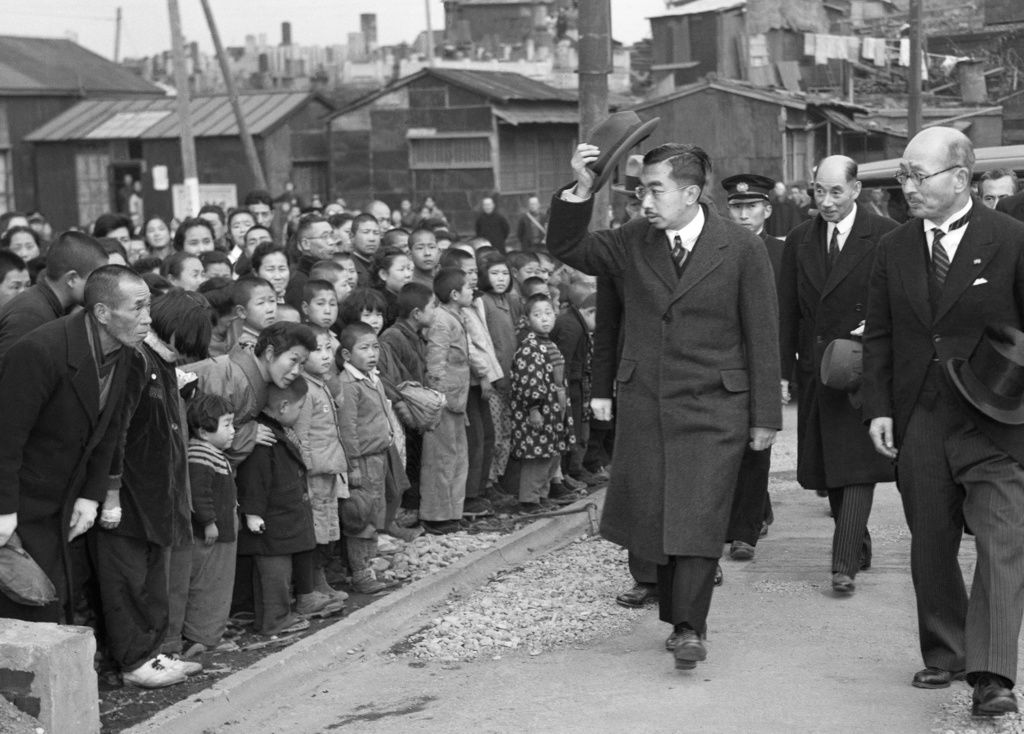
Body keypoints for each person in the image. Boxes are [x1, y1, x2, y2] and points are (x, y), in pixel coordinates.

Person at [547, 141, 781, 671]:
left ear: (691, 193)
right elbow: (568, 245)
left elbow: (762, 333)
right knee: (659, 513)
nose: (645, 201)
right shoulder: (632, 240)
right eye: (641, 190)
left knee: (700, 511)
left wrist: (765, 415)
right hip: (648, 402)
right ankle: (679, 616)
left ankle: (690, 626)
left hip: (716, 404)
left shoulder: (741, 247)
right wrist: (581, 188)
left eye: (656, 190)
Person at [863, 126, 1024, 716]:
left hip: (995, 421)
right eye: (903, 175)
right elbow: (879, 335)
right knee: (931, 541)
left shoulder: (1011, 240)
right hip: (921, 418)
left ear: (960, 178)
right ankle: (946, 650)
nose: (907, 186)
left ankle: (993, 675)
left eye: (918, 175)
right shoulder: (893, 247)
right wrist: (879, 408)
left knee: (1002, 543)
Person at [0, 266, 149, 623]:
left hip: (65, 497)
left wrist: (91, 495)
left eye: (149, 307)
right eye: (137, 308)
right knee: (26, 603)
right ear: (102, 312)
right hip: (22, 498)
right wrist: (3, 510)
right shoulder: (40, 350)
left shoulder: (126, 353)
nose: (147, 318)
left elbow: (110, 428)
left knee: (58, 597)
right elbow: (6, 437)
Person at [778, 156, 896, 592]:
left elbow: (900, 302)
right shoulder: (799, 239)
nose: (826, 202)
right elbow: (787, 312)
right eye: (819, 192)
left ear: (856, 190)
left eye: (836, 192)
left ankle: (842, 565)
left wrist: (877, 330)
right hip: (817, 371)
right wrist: (783, 373)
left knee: (857, 465)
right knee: (832, 467)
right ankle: (857, 542)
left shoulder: (886, 235)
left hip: (864, 369)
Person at [94, 289, 204, 688]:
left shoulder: (161, 362)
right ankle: (133, 660)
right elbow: (116, 431)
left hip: (157, 496)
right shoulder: (136, 360)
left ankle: (152, 653)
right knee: (127, 581)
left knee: (152, 580)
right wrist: (110, 493)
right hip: (128, 494)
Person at [718, 173, 786, 561]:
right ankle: (746, 514)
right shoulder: (718, 249)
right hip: (724, 360)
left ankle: (745, 532)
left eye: (752, 207)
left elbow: (789, 314)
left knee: (758, 445)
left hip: (764, 360)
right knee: (726, 449)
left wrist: (784, 371)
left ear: (767, 210)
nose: (744, 215)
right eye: (737, 207)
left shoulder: (781, 253)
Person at [236, 379, 317, 637]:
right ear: (283, 406)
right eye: (300, 407)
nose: (301, 412)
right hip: (272, 521)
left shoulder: (274, 431)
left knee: (274, 575)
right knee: (274, 576)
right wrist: (253, 513)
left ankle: (270, 619)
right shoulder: (266, 437)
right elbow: (254, 479)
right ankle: (275, 620)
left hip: (279, 520)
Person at [173, 394, 239, 658]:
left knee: (217, 586)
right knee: (207, 585)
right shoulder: (200, 455)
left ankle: (211, 634)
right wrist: (209, 522)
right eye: (227, 425)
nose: (233, 431)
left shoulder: (212, 452)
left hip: (223, 535)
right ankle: (199, 637)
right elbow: (199, 494)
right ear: (203, 431)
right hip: (211, 537)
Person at [337, 322, 394, 594]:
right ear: (347, 355)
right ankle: (360, 573)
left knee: (374, 512)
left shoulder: (372, 377)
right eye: (364, 348)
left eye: (375, 347)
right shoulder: (349, 384)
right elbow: (347, 428)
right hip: (363, 460)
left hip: (378, 456)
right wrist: (353, 465)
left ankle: (369, 566)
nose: (372, 353)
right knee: (361, 515)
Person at [295, 325, 349, 604]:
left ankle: (322, 581)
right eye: (318, 350)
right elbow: (301, 435)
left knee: (327, 526)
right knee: (316, 529)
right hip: (314, 472)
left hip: (328, 469)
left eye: (329, 348)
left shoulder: (321, 384)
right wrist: (304, 470)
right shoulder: (305, 390)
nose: (326, 355)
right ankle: (313, 585)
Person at [510, 292, 576, 512]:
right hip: (540, 409)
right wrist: (534, 409)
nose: (544, 318)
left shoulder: (549, 344)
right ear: (527, 320)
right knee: (537, 455)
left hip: (555, 408)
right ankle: (529, 500)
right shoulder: (530, 347)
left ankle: (542, 494)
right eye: (537, 315)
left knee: (551, 454)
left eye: (548, 313)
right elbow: (529, 381)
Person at [0, 230, 107, 361]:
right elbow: (11, 371)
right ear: (72, 279)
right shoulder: (30, 315)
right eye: (97, 279)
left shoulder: (47, 306)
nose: (103, 288)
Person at [421, 267, 473, 534]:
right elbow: (435, 365)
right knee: (440, 460)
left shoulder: (455, 316)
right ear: (454, 294)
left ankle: (453, 512)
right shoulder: (442, 321)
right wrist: (439, 399)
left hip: (457, 400)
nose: (472, 291)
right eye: (468, 287)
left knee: (457, 458)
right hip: (444, 403)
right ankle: (436, 515)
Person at [551, 283, 599, 489]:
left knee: (576, 429)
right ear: (590, 312)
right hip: (568, 386)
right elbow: (564, 362)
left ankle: (571, 471)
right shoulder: (572, 327)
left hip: (575, 383)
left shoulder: (575, 322)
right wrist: (563, 391)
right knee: (568, 430)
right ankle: (566, 474)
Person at [284, 213, 339, 311]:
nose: (331, 242)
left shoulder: (334, 272)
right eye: (324, 237)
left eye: (332, 235)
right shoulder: (298, 283)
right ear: (305, 244)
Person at [223, 276, 278, 355]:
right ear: (242, 312)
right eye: (260, 303)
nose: (270, 309)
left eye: (272, 301)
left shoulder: (272, 335)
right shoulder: (245, 346)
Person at [350, 214, 382, 287]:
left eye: (376, 233)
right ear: (352, 236)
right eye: (366, 232)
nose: (372, 239)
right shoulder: (347, 266)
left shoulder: (380, 264)